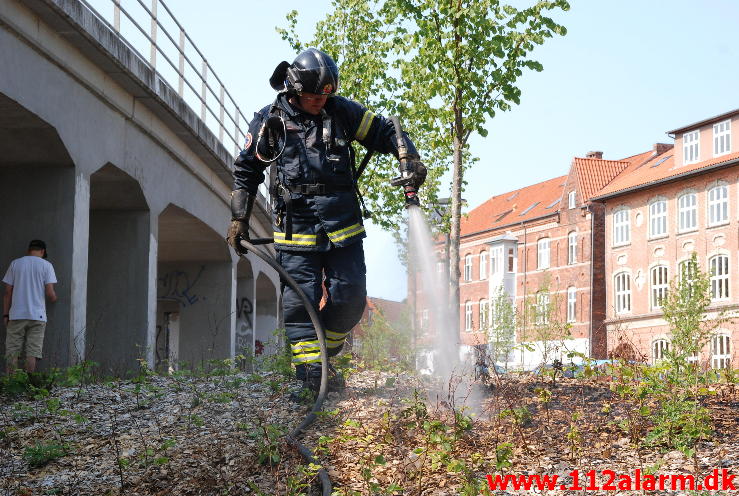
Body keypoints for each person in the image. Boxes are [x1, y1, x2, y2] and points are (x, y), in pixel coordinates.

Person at [227, 48, 426, 399]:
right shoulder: (269, 120)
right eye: (314, 95)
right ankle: (310, 378)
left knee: (350, 299)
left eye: (326, 95)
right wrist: (239, 217)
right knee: (299, 301)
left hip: (342, 224)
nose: (321, 101)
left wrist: (407, 156)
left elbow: (382, 131)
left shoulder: (341, 111)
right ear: (294, 89)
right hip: (296, 227)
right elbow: (247, 169)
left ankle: (324, 354)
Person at [2, 239, 57, 374]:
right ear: (43, 251)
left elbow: (8, 292)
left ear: (29, 250)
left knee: (12, 351)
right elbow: (50, 293)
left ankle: (12, 385)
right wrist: (55, 298)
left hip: (16, 314)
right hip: (37, 315)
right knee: (32, 351)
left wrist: (5, 314)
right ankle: (28, 384)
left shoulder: (15, 264)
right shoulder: (47, 265)